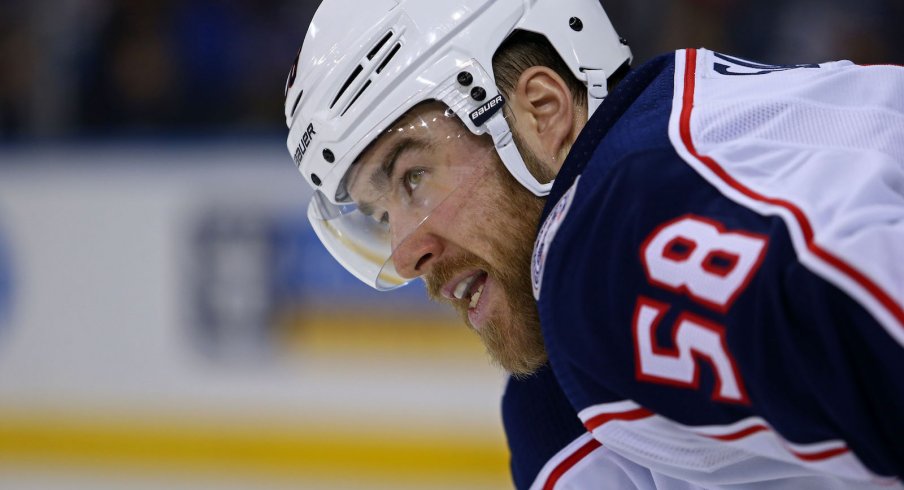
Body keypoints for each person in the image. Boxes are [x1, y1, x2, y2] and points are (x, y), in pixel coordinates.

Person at [282, 0, 904, 487]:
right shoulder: (552, 410)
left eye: (412, 176)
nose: (405, 251)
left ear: (542, 111)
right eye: (378, 214)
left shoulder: (609, 248)